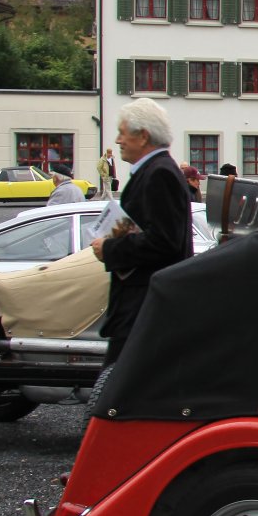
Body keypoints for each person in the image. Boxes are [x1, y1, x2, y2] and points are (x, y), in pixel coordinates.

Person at [91, 99, 194, 363]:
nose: (118, 140)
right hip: (143, 305)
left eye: (122, 133)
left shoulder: (159, 173)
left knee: (119, 381)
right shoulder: (155, 170)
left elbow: (164, 241)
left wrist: (110, 248)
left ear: (143, 136)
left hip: (145, 305)